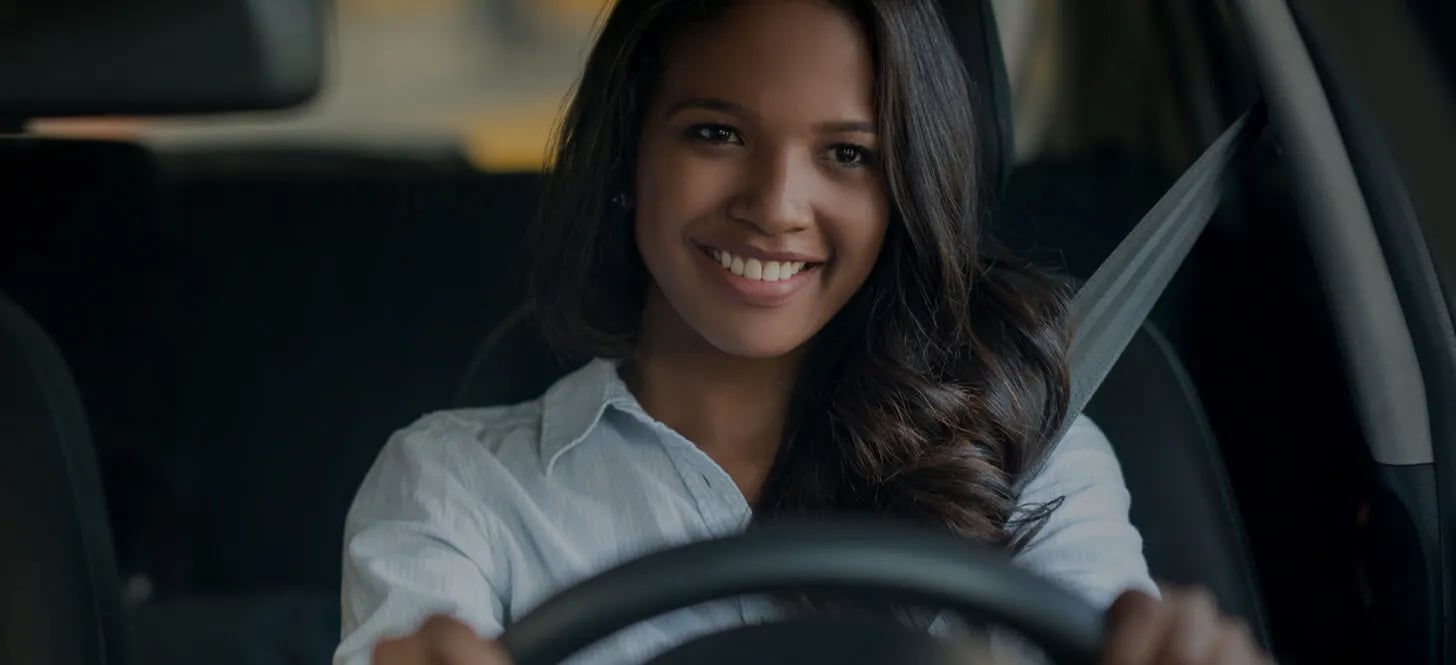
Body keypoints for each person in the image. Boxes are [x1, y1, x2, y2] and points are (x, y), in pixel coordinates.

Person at [337, 1, 1272, 664]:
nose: (776, 205)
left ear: (902, 191)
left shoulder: (1027, 460)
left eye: (847, 153)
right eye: (717, 134)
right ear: (629, 152)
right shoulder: (457, 489)